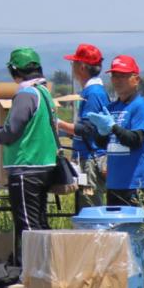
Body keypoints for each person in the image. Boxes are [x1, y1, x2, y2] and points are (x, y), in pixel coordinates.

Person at [0, 48, 58, 277]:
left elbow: (11, 132)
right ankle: (44, 270)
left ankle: (30, 273)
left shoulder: (25, 95)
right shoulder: (44, 92)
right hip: (44, 165)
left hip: (25, 168)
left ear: (14, 71)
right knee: (39, 221)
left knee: (27, 224)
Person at [82, 56, 144, 207]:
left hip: (135, 182)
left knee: (134, 221)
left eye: (123, 76)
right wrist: (101, 132)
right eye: (114, 76)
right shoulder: (111, 108)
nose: (117, 80)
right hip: (114, 181)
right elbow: (102, 144)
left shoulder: (141, 106)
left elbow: (135, 140)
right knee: (114, 221)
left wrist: (113, 127)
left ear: (136, 79)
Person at [57, 43, 109, 210]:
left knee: (90, 204)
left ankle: (95, 228)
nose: (72, 67)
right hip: (86, 158)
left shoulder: (93, 93)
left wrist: (58, 123)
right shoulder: (91, 91)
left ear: (82, 67)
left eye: (74, 63)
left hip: (90, 161)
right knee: (86, 202)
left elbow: (86, 129)